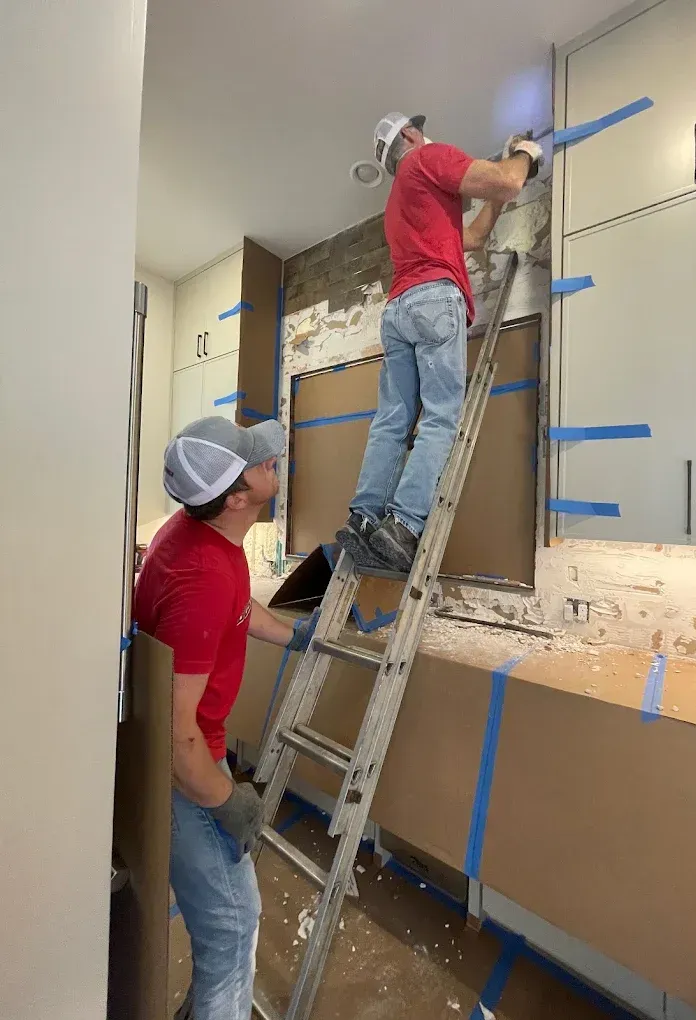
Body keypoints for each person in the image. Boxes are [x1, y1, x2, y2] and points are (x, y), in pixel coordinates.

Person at [134, 415, 317, 1020]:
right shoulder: (203, 578)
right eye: (258, 462)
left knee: (227, 930)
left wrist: (293, 635)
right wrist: (225, 799)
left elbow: (240, 608)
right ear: (237, 498)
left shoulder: (199, 536)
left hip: (181, 758)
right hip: (184, 773)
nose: (270, 460)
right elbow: (177, 737)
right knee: (233, 929)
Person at [336, 113, 543, 572]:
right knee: (441, 416)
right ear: (411, 135)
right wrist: (523, 154)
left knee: (393, 419)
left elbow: (472, 237)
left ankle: (364, 517)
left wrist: (496, 200)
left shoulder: (400, 201)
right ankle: (404, 524)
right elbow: (509, 182)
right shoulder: (428, 158)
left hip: (397, 310)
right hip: (433, 300)